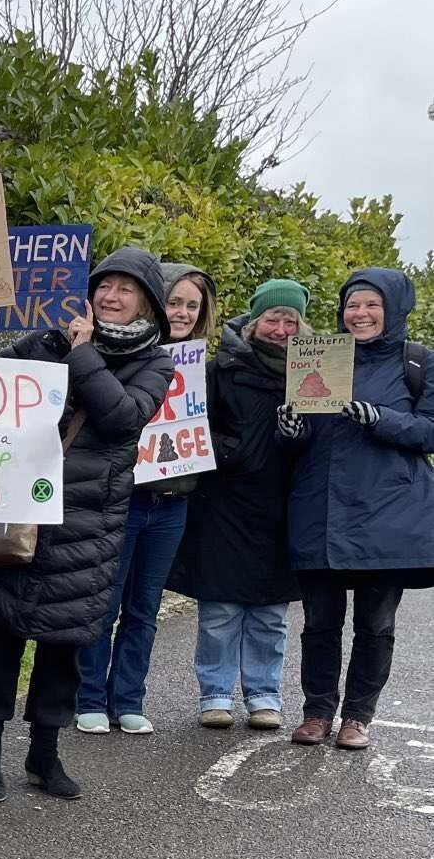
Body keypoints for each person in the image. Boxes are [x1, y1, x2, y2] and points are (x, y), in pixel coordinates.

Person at [0, 247, 176, 802]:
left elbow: (123, 417)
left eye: (126, 290)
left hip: (89, 523)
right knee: (1, 635)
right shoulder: (56, 341)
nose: (112, 296)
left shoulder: (157, 363)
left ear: (147, 304)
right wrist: (50, 347)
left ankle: (44, 756)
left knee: (63, 644)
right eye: (105, 286)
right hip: (23, 512)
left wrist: (82, 358)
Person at [276, 268, 434, 751]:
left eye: (371, 305)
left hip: (389, 513)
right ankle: (317, 711)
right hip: (321, 507)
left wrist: (381, 419)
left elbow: (429, 431)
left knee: (376, 624)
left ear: (393, 309)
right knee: (320, 621)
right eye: (352, 305)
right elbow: (305, 442)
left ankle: (358, 717)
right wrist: (291, 428)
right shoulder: (319, 356)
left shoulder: (419, 362)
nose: (359, 314)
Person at [74, 262, 216, 734]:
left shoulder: (203, 364)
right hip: (125, 496)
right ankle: (89, 695)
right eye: (174, 302)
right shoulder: (120, 351)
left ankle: (129, 697)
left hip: (173, 500)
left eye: (191, 306)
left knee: (145, 608)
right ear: (157, 304)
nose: (182, 312)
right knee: (105, 601)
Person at [166, 280, 307, 730]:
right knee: (220, 608)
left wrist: (299, 436)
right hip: (225, 502)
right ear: (253, 321)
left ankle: (265, 695)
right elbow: (192, 421)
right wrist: (231, 449)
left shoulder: (315, 373)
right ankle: (216, 694)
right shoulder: (219, 368)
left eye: (291, 320)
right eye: (272, 318)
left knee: (271, 612)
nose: (281, 328)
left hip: (285, 503)